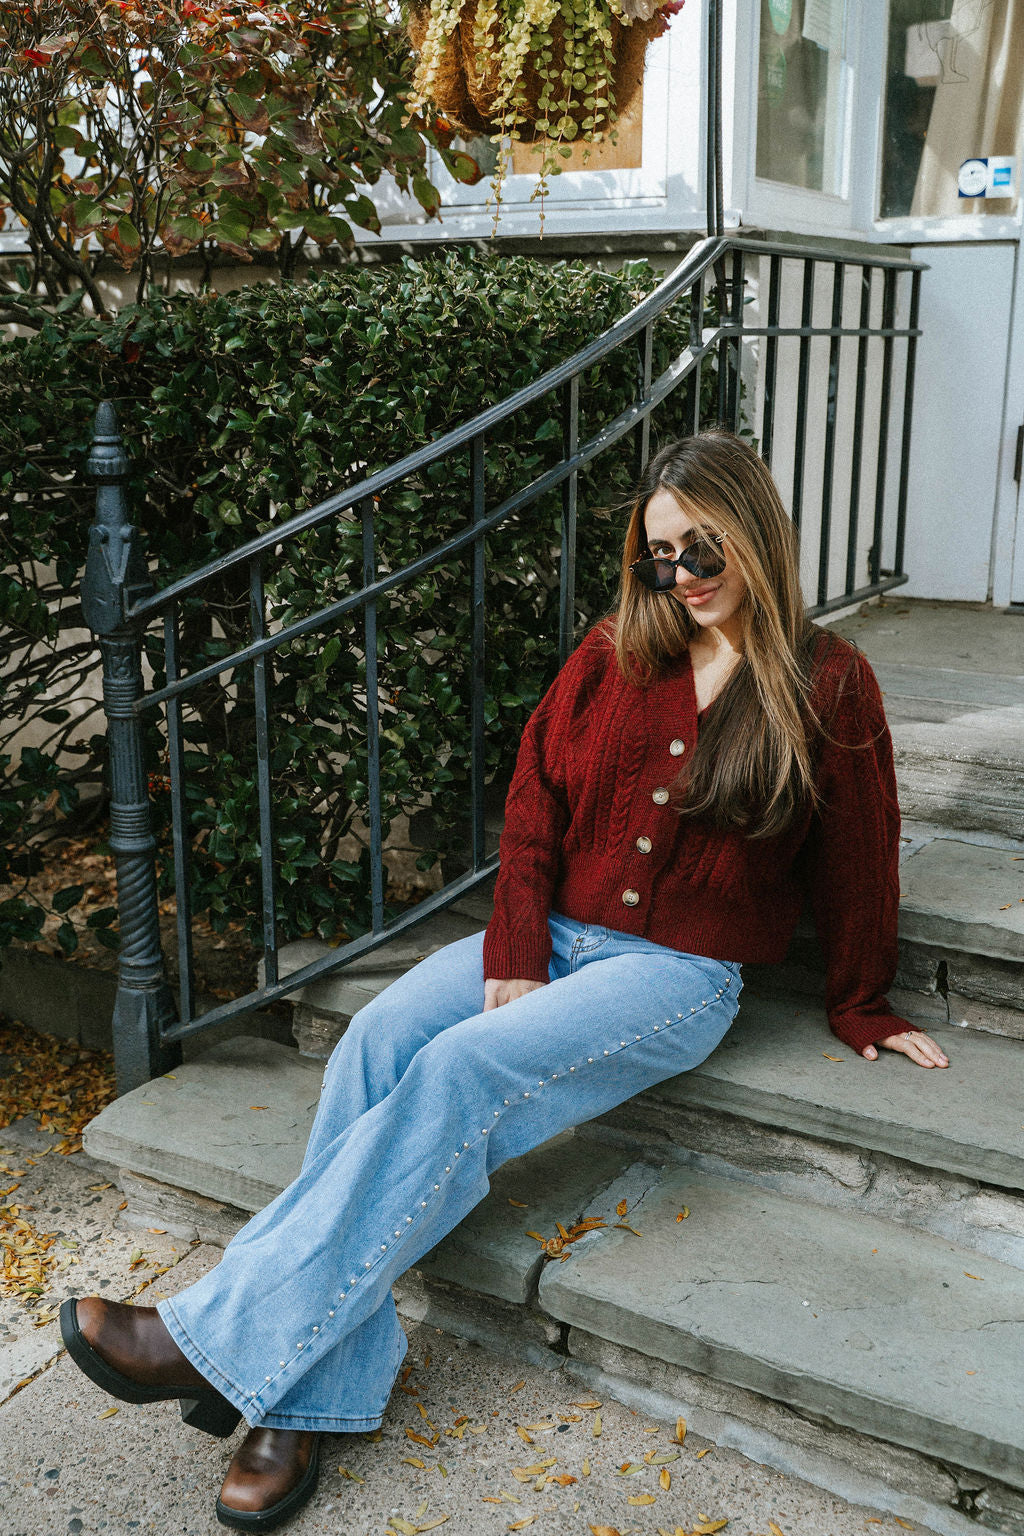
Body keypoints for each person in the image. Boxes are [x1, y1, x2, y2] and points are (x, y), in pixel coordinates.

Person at [60, 430, 949, 1532]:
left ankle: (203, 1343)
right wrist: (518, 952)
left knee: (460, 1068)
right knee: (378, 1040)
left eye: (704, 546)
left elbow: (861, 851)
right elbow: (533, 808)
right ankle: (306, 1396)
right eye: (660, 557)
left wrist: (861, 999)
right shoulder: (615, 650)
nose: (683, 575)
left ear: (757, 530)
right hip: (555, 937)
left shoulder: (829, 681)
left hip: (675, 974)